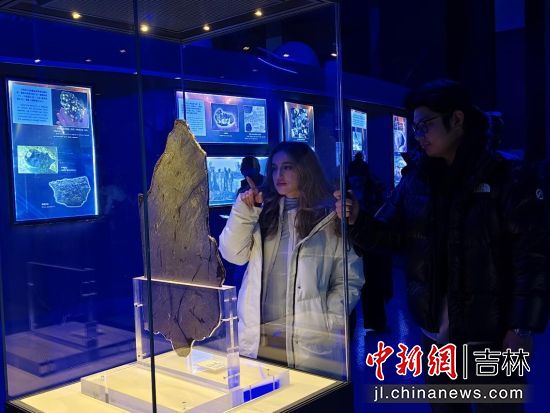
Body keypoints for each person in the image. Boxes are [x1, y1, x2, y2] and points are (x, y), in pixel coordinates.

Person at [335, 80, 548, 412]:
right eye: (415, 128)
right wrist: (358, 220)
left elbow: (532, 256)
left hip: (494, 334)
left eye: (426, 125)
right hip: (436, 333)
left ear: (457, 119)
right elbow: (392, 236)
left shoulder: (507, 176)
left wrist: (522, 326)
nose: (419, 136)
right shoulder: (416, 180)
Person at [219, 141, 364, 379]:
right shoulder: (263, 211)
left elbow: (349, 277)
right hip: (260, 331)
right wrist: (244, 212)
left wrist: (329, 319)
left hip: (307, 336)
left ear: (305, 170)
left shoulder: (329, 217)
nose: (279, 175)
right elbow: (232, 254)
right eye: (274, 168)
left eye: (287, 167)